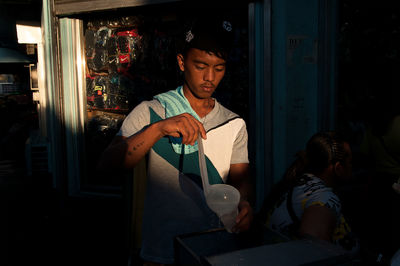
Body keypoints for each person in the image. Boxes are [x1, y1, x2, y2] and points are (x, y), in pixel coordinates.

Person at [98, 16, 253, 265]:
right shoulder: (151, 112)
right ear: (182, 62)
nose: (210, 77)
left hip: (214, 249)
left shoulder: (233, 123)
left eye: (219, 68)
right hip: (161, 251)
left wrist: (244, 203)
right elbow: (107, 165)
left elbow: (240, 181)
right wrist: (158, 129)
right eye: (201, 66)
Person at [262, 131, 359, 254]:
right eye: (350, 162)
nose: (353, 167)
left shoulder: (300, 181)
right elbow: (315, 251)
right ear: (338, 168)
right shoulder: (324, 198)